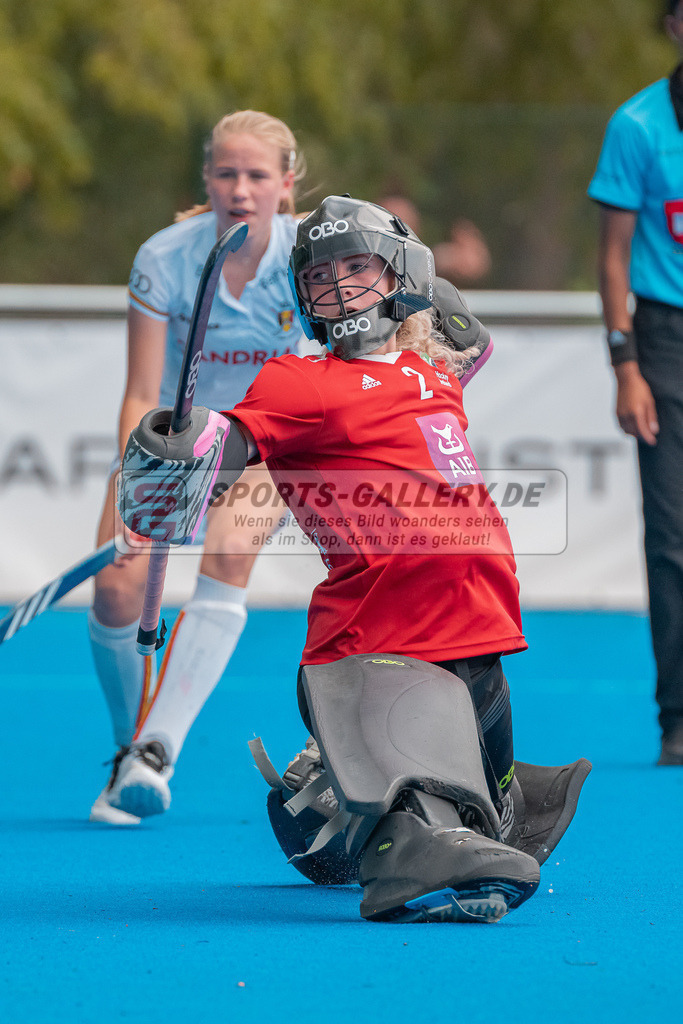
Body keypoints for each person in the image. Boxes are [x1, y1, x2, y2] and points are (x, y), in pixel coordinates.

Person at [117, 195, 590, 923]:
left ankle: (336, 804)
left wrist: (419, 274)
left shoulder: (432, 368)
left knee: (503, 818)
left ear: (398, 274)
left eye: (357, 267)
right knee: (439, 831)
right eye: (319, 276)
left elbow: (462, 325)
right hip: (379, 635)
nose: (337, 286)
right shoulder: (297, 381)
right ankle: (386, 828)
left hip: (480, 625)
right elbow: (231, 443)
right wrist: (185, 448)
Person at [89, 110, 313, 825]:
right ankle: (127, 749)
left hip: (267, 438)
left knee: (229, 547)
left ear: (285, 181)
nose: (240, 189)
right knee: (117, 590)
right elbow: (138, 390)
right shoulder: (164, 257)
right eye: (225, 173)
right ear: (207, 179)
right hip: (174, 441)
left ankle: (158, 748)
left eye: (256, 175)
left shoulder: (308, 260)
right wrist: (142, 483)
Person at [588, 1, 683, 765]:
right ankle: (678, 719)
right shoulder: (639, 125)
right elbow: (614, 255)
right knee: (673, 538)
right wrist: (625, 364)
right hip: (664, 339)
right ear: (674, 24)